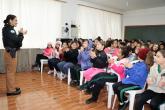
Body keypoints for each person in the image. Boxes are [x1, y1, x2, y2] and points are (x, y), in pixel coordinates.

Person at [2, 14, 27, 96]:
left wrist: (20, 35)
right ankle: (11, 91)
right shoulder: (10, 30)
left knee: (11, 72)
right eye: (15, 20)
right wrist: (21, 34)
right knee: (10, 72)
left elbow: (18, 43)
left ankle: (11, 87)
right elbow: (18, 42)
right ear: (10, 20)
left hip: (10, 52)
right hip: (10, 53)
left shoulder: (8, 29)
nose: (17, 22)